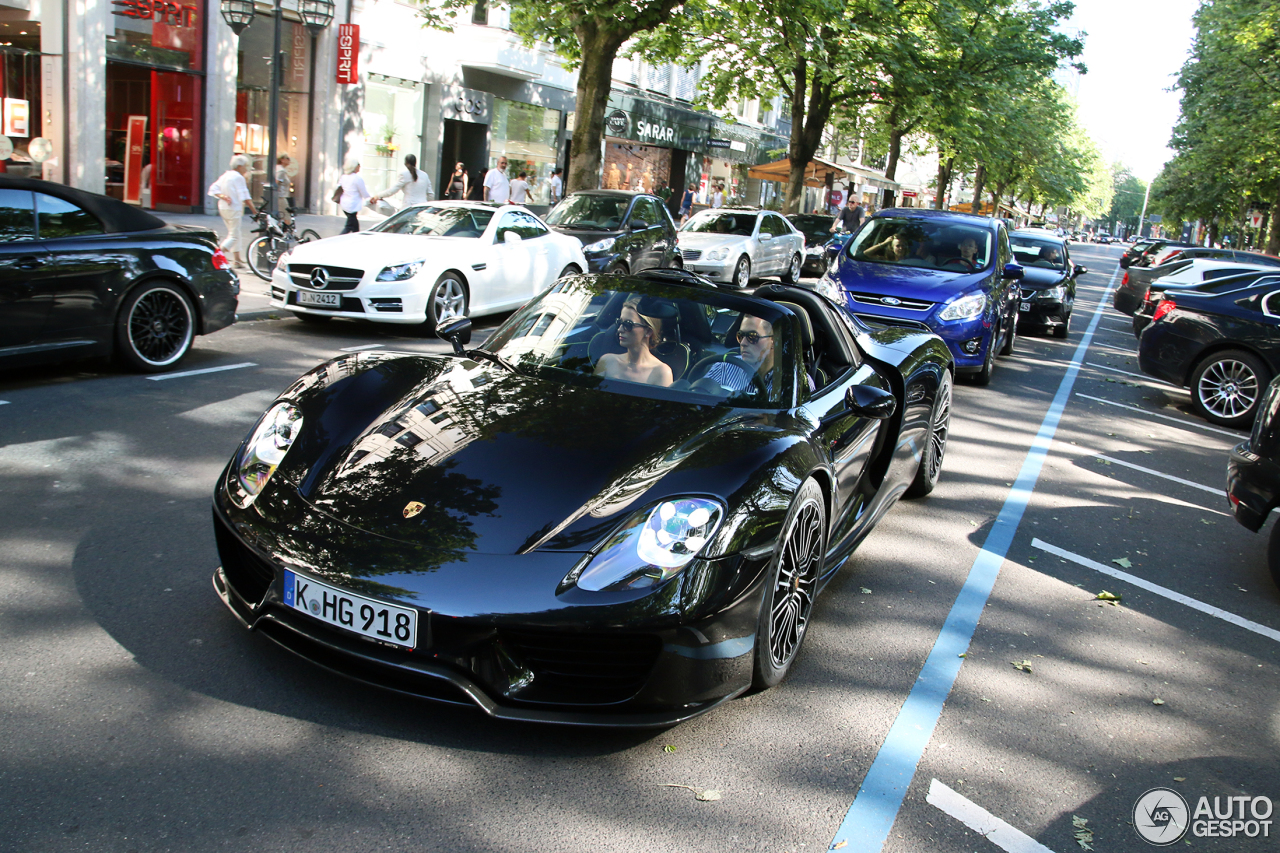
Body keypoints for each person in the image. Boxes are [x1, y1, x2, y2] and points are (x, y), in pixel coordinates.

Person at [594, 298, 673, 387]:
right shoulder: (607, 361)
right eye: (619, 322)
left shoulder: (661, 372)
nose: (620, 329)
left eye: (628, 324)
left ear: (648, 331)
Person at [704, 314, 776, 393]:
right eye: (740, 336)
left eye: (752, 336)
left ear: (773, 341)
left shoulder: (788, 381)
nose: (743, 343)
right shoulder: (723, 369)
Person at [208, 154, 258, 268]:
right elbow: (246, 196)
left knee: (236, 233)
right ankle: (214, 256)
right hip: (233, 208)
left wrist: (223, 196)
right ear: (239, 166)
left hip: (224, 207)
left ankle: (237, 260)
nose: (247, 168)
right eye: (245, 166)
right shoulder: (238, 177)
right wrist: (255, 211)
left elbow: (213, 189)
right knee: (233, 235)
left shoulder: (226, 175)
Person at [337, 157, 371, 234]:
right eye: (358, 164)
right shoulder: (357, 178)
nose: (360, 166)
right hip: (352, 206)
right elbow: (364, 193)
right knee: (349, 226)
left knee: (355, 226)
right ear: (354, 166)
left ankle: (356, 237)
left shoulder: (343, 177)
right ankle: (338, 240)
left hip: (345, 204)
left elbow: (338, 187)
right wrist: (371, 199)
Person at [274, 154, 294, 225]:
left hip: (278, 197)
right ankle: (287, 235)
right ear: (282, 160)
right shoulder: (281, 171)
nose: (289, 160)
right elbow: (276, 183)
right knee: (287, 217)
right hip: (281, 197)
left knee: (280, 217)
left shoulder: (277, 168)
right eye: (287, 158)